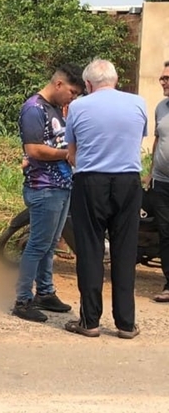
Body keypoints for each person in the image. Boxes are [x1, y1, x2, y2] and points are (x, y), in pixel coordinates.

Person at [63, 59, 147, 339]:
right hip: (128, 182)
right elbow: (136, 139)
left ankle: (90, 322)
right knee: (125, 251)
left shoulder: (77, 106)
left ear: (87, 84)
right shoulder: (138, 103)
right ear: (115, 79)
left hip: (90, 182)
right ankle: (125, 323)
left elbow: (71, 151)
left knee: (90, 250)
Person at [12, 64, 85, 322]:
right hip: (44, 187)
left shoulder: (54, 108)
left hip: (61, 185)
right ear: (59, 85)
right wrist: (68, 155)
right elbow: (33, 150)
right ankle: (22, 300)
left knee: (50, 244)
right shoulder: (34, 108)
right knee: (37, 245)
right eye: (72, 92)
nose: (73, 98)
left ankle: (45, 292)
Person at [143, 60, 169, 303]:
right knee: (165, 232)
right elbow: (158, 140)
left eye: (167, 78)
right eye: (162, 78)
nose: (163, 82)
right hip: (161, 182)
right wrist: (151, 171)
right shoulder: (161, 107)